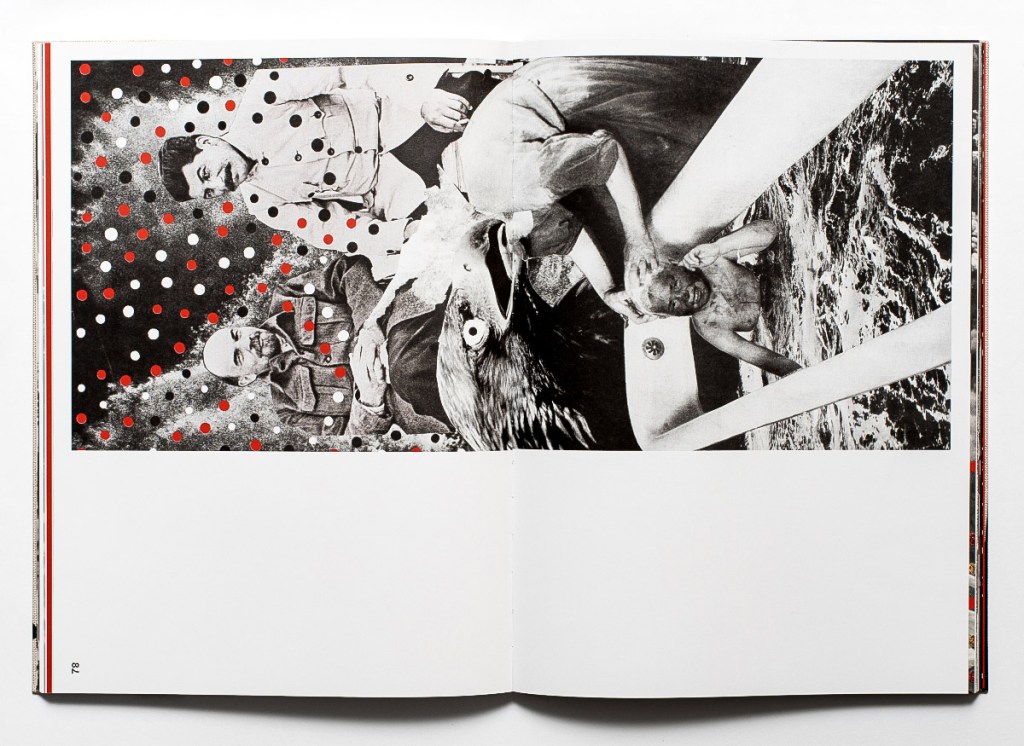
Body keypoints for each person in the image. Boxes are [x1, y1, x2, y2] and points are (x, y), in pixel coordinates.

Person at [159, 65, 498, 276]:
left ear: (206, 142)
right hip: (399, 187)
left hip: (403, 116)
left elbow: (349, 69)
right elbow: (335, 229)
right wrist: (405, 233)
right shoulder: (263, 203)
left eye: (205, 174)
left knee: (481, 96)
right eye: (209, 193)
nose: (220, 185)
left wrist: (422, 98)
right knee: (470, 235)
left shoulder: (265, 92)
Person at [201, 254, 450, 437]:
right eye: (239, 356)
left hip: (398, 325)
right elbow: (349, 442)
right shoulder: (289, 409)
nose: (247, 341)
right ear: (245, 379)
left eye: (237, 334)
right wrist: (369, 401)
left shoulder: (289, 295)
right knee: (413, 382)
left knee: (407, 368)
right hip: (404, 400)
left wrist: (369, 326)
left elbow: (348, 270)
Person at [635, 220, 801, 377]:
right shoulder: (709, 326)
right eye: (673, 304)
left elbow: (770, 230)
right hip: (791, 320)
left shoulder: (710, 261)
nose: (683, 296)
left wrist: (719, 247)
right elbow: (767, 360)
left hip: (792, 272)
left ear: (678, 266)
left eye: (676, 284)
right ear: (672, 316)